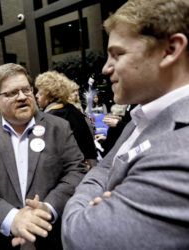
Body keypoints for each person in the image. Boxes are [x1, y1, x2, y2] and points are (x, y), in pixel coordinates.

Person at [62, 0, 189, 249]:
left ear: (170, 50)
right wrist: (105, 192)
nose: (106, 68)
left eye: (117, 54)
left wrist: (86, 199)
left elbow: (80, 236)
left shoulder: (181, 154)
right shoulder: (141, 116)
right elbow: (105, 167)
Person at [0, 63, 85, 250]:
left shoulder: (58, 127)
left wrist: (48, 208)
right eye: (11, 93)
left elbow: (76, 171)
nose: (22, 97)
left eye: (26, 90)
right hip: (4, 242)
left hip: (50, 237)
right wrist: (11, 218)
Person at [35, 71, 97, 168]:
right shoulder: (72, 110)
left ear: (50, 95)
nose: (36, 95)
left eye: (40, 92)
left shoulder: (52, 117)